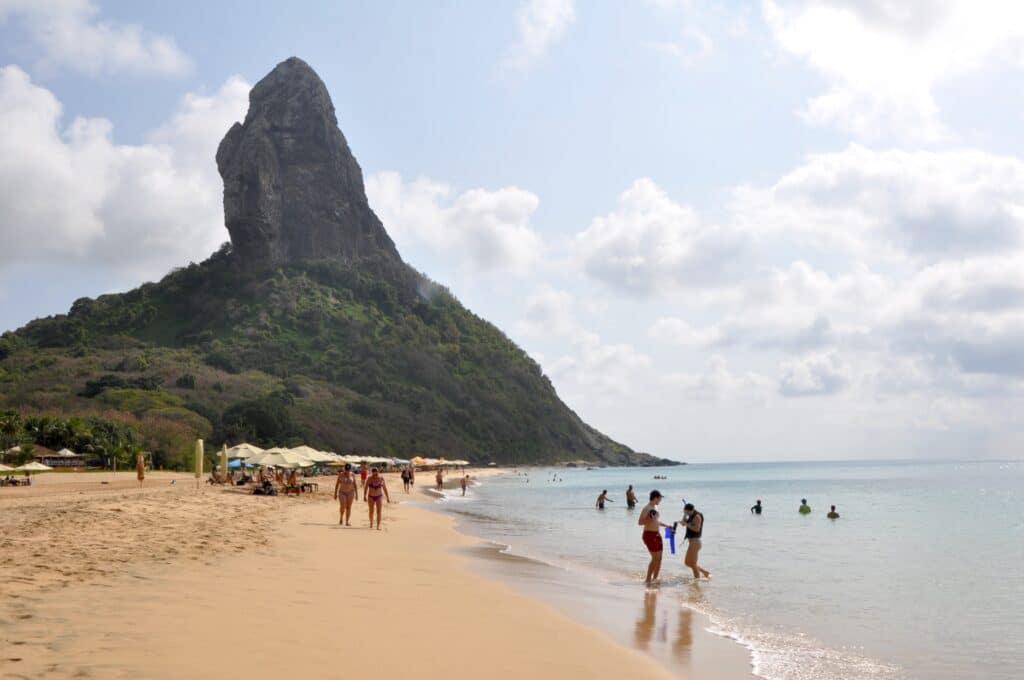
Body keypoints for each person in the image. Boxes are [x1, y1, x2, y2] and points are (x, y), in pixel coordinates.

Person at [639, 490, 672, 584]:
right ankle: (648, 580)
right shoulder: (646, 508)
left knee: (660, 558)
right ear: (656, 498)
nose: (660, 500)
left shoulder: (656, 507)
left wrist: (666, 525)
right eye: (660, 498)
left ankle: (655, 579)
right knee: (655, 558)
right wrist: (649, 519)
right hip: (649, 534)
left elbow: (656, 521)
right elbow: (640, 522)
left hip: (657, 534)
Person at [680, 503, 710, 579]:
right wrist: (684, 516)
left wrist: (686, 524)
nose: (686, 513)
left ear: (691, 510)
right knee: (687, 563)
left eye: (687, 512)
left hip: (695, 542)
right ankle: (704, 572)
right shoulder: (690, 515)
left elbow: (697, 529)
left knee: (692, 564)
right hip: (692, 542)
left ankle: (697, 582)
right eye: (685, 511)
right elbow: (683, 524)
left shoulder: (697, 516)